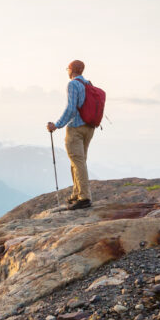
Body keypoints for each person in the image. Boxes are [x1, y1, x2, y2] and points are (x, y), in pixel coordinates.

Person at [46, 60, 94, 210]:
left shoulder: (73, 84)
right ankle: (76, 193)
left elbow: (71, 109)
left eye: (68, 68)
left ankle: (84, 197)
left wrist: (57, 125)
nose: (67, 71)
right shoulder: (88, 84)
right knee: (79, 160)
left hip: (76, 128)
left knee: (77, 162)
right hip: (89, 127)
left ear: (72, 70)